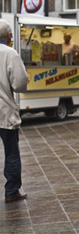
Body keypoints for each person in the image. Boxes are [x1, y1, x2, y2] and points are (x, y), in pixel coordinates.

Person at [0, 19, 29, 203]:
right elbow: (19, 84)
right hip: (4, 112)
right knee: (11, 152)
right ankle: (12, 190)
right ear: (9, 35)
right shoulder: (10, 53)